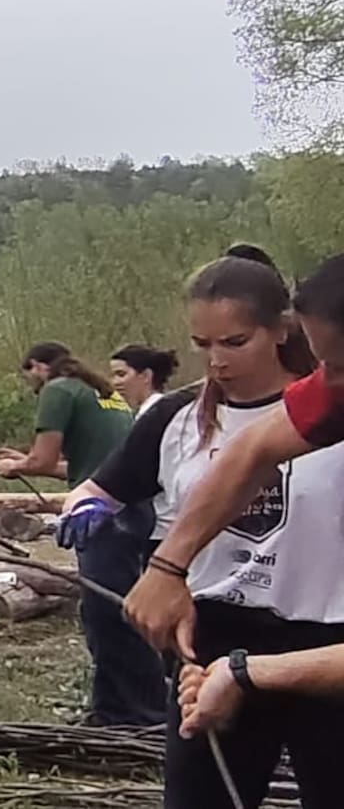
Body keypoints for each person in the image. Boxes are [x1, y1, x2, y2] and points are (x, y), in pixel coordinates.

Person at [110, 252, 344, 809]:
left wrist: (243, 674)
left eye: (340, 365)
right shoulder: (333, 392)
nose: (329, 384)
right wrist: (168, 567)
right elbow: (254, 447)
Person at [0, 341, 163, 726]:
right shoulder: (99, 392)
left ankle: (140, 713)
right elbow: (88, 464)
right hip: (132, 507)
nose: (31, 385)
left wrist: (17, 466)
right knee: (113, 610)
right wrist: (24, 463)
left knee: (109, 615)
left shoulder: (58, 390)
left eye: (29, 376)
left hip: (102, 513)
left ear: (39, 367)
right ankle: (116, 709)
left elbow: (43, 460)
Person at [110, 345, 179, 416]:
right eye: (113, 376)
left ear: (146, 375)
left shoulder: (162, 414)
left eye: (121, 374)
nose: (115, 382)